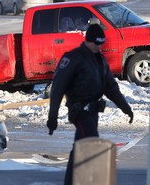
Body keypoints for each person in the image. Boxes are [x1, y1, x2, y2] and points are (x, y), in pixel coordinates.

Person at [46, 24, 134, 185]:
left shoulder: (99, 59)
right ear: (89, 41)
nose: (100, 47)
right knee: (92, 143)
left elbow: (110, 87)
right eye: (97, 43)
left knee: (80, 147)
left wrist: (125, 107)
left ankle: (70, 181)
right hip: (79, 110)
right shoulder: (73, 58)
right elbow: (58, 88)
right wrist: (53, 116)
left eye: (102, 43)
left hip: (93, 110)